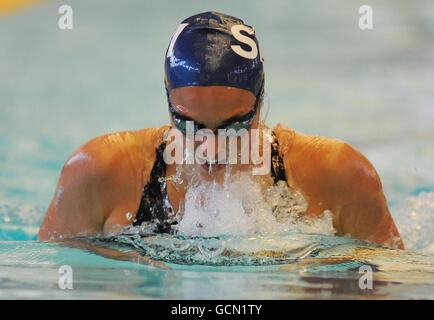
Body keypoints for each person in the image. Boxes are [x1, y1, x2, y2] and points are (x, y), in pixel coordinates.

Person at [38, 11, 404, 249]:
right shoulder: (99, 172)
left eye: (234, 126)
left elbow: (395, 284)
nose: (211, 149)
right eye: (189, 124)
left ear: (260, 104)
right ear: (168, 101)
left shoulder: (338, 173)